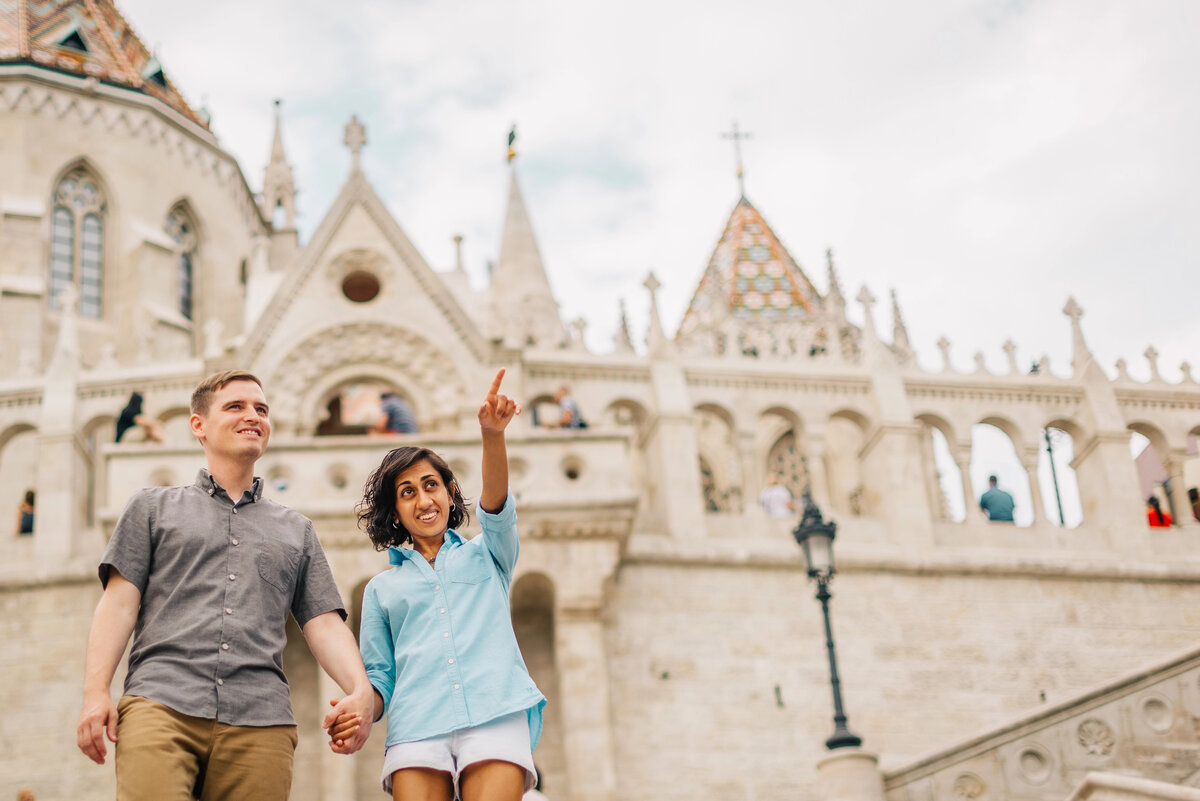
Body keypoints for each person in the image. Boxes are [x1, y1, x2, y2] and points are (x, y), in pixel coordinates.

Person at [76, 370, 375, 801]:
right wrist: (94, 692)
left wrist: (360, 689)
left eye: (261, 409)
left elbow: (324, 624)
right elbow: (119, 605)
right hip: (161, 703)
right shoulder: (151, 508)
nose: (252, 415)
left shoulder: (297, 530)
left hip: (261, 720)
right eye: (235, 406)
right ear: (198, 425)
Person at [336, 368, 545, 801]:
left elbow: (497, 506)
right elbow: (380, 676)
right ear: (396, 512)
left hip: (496, 712)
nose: (423, 499)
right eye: (407, 492)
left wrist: (492, 435)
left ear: (450, 494)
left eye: (431, 485)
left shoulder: (490, 552)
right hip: (416, 726)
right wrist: (359, 708)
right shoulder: (381, 590)